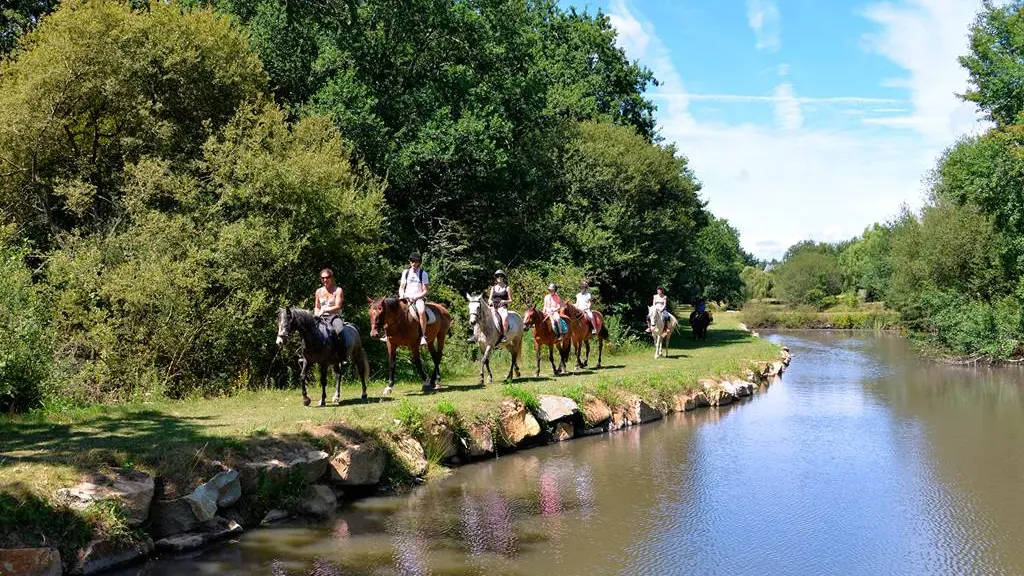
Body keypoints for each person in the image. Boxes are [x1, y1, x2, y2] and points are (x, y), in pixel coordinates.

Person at [314, 268, 346, 359]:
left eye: (327, 277)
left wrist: (325, 310)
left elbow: (337, 307)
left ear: (331, 278)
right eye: (322, 278)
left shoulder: (338, 290)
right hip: (320, 317)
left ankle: (341, 355)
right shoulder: (318, 291)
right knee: (307, 329)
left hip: (333, 316)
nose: (325, 280)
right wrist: (316, 315)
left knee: (339, 330)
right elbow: (317, 306)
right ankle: (305, 355)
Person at [399, 251, 430, 346]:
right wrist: (402, 295)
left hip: (418, 298)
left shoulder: (423, 274)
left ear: (419, 262)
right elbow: (401, 287)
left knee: (421, 312)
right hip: (406, 297)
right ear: (410, 262)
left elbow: (426, 291)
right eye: (412, 261)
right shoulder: (406, 272)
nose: (413, 263)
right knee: (392, 309)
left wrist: (416, 297)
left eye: (415, 261)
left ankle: (423, 336)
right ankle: (387, 334)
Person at [490, 270, 511, 343]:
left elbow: (511, 300)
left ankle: (505, 335)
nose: (499, 277)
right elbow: (490, 299)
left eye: (501, 276)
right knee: (480, 315)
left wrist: (504, 301)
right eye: (497, 276)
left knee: (504, 318)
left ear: (503, 277)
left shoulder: (507, 288)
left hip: (502, 307)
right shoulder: (493, 288)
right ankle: (475, 334)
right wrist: (490, 301)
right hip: (493, 307)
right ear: (496, 278)